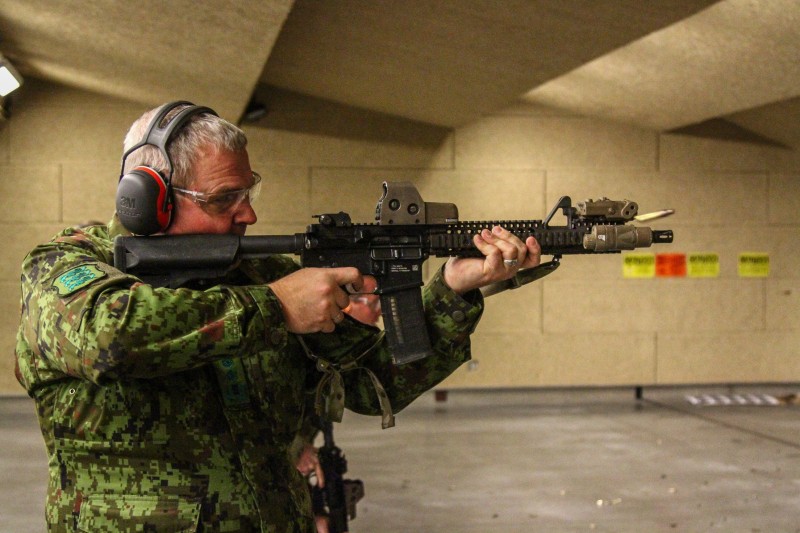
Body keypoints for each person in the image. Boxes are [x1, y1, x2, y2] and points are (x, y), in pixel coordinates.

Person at [15, 101, 541, 532]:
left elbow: (372, 381)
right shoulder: (66, 269)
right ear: (146, 200)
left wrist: (452, 292)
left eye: (250, 191)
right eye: (225, 199)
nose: (249, 213)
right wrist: (275, 308)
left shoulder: (258, 273)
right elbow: (109, 336)